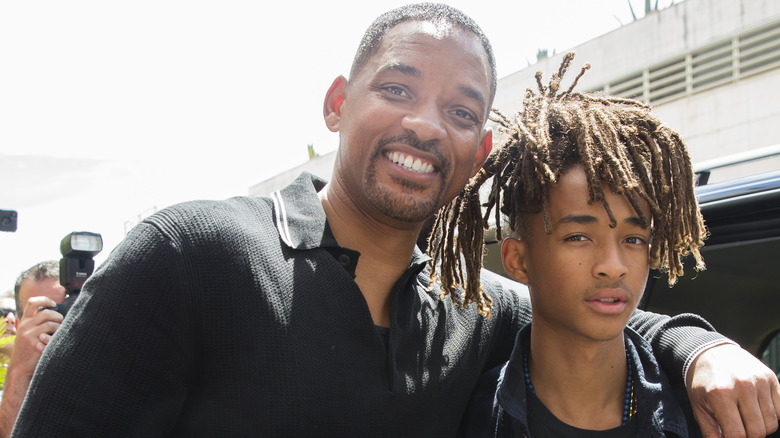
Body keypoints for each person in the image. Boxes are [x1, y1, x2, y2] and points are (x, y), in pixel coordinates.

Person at [11, 4, 780, 437]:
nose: (424, 125)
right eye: (398, 89)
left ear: (478, 151)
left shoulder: (473, 310)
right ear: (338, 103)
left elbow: (601, 307)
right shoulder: (191, 254)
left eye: (458, 111)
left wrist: (700, 347)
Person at [440, 53, 706, 436]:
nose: (613, 266)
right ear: (518, 259)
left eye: (633, 239)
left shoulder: (706, 412)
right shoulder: (467, 419)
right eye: (579, 237)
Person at [0, 261, 65, 437]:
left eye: (64, 310)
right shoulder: (7, 392)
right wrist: (19, 372)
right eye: (43, 312)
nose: (55, 323)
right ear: (18, 325)